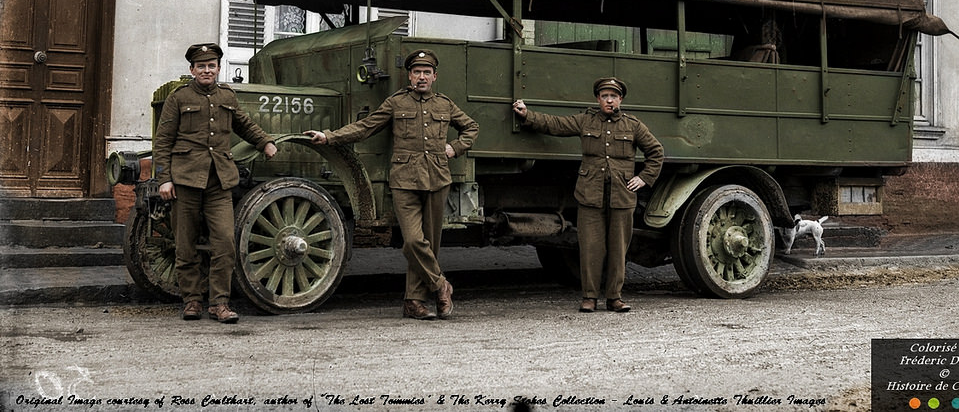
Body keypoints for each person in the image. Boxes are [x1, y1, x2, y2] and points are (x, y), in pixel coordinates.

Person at [305, 49, 479, 320]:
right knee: (412, 241)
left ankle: (413, 302)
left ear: (434, 76)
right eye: (417, 72)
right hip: (404, 180)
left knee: (430, 245)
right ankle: (441, 285)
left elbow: (471, 127)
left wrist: (455, 148)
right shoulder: (396, 102)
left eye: (426, 73)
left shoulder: (444, 104)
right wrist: (328, 137)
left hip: (437, 179)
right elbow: (365, 127)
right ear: (409, 76)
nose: (421, 77)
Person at [512, 78, 663, 313]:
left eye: (613, 96)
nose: (609, 100)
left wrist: (644, 178)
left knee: (618, 249)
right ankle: (589, 297)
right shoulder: (585, 120)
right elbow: (555, 125)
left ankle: (615, 297)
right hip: (590, 195)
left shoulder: (633, 125)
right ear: (598, 99)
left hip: (621, 198)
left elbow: (656, 151)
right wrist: (527, 115)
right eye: (604, 96)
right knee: (591, 248)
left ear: (620, 99)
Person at [154, 43, 277, 324]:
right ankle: (192, 301)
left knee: (225, 243)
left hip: (219, 182)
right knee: (185, 245)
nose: (206, 71)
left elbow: (243, 124)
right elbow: (163, 141)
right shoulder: (179, 97)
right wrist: (164, 178)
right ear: (192, 70)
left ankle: (219, 303)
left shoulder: (227, 96)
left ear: (219, 68)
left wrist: (265, 142)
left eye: (211, 66)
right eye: (201, 67)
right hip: (185, 181)